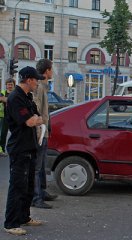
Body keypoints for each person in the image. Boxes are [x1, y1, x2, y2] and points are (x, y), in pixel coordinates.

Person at [4, 66, 45, 236]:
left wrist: (35, 119)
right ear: (29, 79)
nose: (37, 83)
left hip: (30, 146)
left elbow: (39, 117)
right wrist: (34, 119)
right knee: (17, 186)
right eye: (36, 80)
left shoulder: (27, 97)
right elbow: (29, 121)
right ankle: (11, 223)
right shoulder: (15, 98)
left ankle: (24, 216)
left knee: (28, 186)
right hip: (19, 148)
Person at [32, 59, 58, 209]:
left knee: (41, 166)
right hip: (40, 133)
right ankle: (36, 198)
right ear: (46, 71)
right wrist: (39, 133)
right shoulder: (39, 87)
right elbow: (36, 111)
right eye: (51, 69)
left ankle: (42, 192)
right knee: (37, 167)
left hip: (44, 132)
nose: (52, 71)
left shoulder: (43, 87)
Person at [0, 78, 16, 156]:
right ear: (6, 85)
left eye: (11, 85)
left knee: (15, 134)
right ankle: (2, 150)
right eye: (8, 84)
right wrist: (11, 100)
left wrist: (6, 99)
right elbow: (1, 98)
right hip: (4, 117)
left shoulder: (16, 93)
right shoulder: (3, 92)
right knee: (3, 134)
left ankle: (13, 150)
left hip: (14, 117)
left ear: (14, 85)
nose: (9, 86)